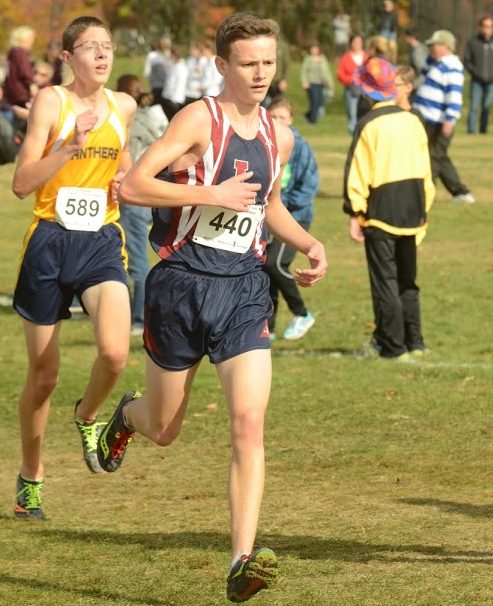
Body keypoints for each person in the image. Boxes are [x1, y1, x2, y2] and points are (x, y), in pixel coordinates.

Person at [96, 11, 327, 603]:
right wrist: (208, 192)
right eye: (248, 63)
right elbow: (135, 186)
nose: (260, 74)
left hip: (245, 287)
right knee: (165, 428)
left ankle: (241, 559)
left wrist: (305, 241)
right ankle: (127, 417)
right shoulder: (200, 118)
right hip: (182, 282)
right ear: (222, 65)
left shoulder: (279, 133)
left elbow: (267, 205)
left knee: (249, 423)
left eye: (269, 63)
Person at [11, 15, 136, 520]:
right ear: (67, 57)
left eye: (107, 46)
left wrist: (120, 183)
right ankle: (31, 477)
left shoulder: (122, 105)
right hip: (49, 241)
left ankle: (87, 415)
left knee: (115, 352)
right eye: (89, 47)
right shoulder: (51, 102)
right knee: (43, 377)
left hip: (101, 240)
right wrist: (67, 148)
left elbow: (122, 165)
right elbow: (22, 183)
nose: (102, 55)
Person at [343, 57, 435, 360]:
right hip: (413, 206)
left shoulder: (368, 124)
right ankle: (415, 342)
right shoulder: (413, 120)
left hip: (381, 209)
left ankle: (393, 347)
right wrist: (424, 211)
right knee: (408, 279)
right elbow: (426, 172)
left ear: (368, 92)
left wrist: (356, 211)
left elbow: (358, 171)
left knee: (385, 280)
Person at [116, 74, 168, 336]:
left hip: (134, 198)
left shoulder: (130, 125)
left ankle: (139, 318)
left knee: (136, 259)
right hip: (152, 196)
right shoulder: (155, 118)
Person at [264, 97, 319, 341]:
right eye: (272, 117)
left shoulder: (300, 147)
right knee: (265, 268)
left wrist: (281, 208)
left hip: (295, 217)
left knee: (275, 263)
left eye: (282, 118)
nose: (277, 122)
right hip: (266, 218)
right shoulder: (262, 143)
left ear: (291, 120)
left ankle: (302, 313)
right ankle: (270, 326)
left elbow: (308, 188)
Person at [413, 30, 475, 204]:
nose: (430, 48)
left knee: (432, 157)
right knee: (439, 157)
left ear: (444, 46)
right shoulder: (436, 63)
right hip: (426, 119)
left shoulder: (452, 66)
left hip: (438, 121)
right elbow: (422, 77)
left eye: (433, 45)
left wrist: (450, 119)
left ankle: (423, 196)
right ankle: (461, 193)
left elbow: (454, 95)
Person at [464, 15, 493, 134]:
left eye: (490, 26)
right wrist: (475, 73)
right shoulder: (473, 42)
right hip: (476, 80)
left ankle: (483, 129)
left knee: (486, 106)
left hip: (491, 81)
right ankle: (471, 130)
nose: (487, 29)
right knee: (474, 106)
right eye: (485, 26)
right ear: (480, 27)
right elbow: (467, 61)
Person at [337, 34, 367, 133]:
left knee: (364, 112)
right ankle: (353, 133)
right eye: (355, 42)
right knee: (352, 113)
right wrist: (351, 79)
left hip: (366, 91)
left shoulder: (367, 57)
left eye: (359, 42)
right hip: (351, 90)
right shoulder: (346, 57)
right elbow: (340, 74)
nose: (357, 44)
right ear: (351, 44)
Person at [301, 43, 334, 124]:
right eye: (313, 49)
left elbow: (327, 72)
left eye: (316, 48)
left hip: (321, 84)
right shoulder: (308, 59)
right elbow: (303, 71)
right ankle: (313, 121)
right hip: (311, 84)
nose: (314, 50)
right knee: (314, 102)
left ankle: (307, 115)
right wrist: (304, 81)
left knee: (319, 102)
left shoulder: (322, 59)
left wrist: (330, 83)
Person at [160, 46, 188, 121]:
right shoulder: (174, 65)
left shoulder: (181, 67)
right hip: (168, 96)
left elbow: (179, 84)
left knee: (174, 120)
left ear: (174, 55)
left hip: (175, 99)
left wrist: (173, 99)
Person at [143, 36, 170, 107]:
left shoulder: (168, 54)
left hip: (168, 86)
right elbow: (147, 70)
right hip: (156, 85)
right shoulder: (152, 55)